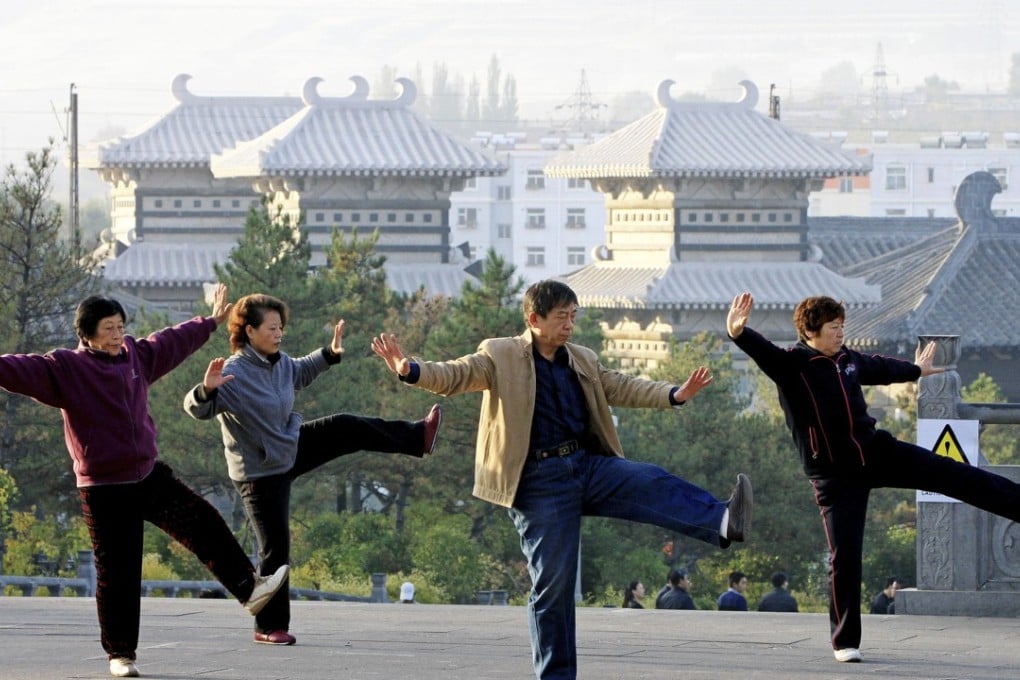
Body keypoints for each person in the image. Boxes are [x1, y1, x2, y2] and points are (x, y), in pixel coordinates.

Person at [371, 279, 753, 680]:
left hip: (586, 466)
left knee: (649, 479)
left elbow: (621, 386)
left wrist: (674, 394)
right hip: (538, 483)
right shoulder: (500, 354)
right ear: (534, 319)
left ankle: (722, 520)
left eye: (573, 316)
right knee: (553, 589)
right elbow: (455, 374)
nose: (570, 324)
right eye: (561, 317)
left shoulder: (582, 358)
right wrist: (410, 370)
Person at [0, 284, 288, 679]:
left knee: (202, 520)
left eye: (121, 326)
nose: (117, 335)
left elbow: (170, 342)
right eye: (108, 329)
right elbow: (14, 368)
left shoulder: (135, 355)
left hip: (147, 473)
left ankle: (249, 589)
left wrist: (209, 322)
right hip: (103, 487)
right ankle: (120, 655)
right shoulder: (65, 368)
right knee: (117, 572)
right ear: (86, 333)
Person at [727, 291, 1020, 663]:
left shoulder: (848, 360)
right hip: (834, 476)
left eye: (842, 326)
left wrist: (916, 370)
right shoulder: (792, 366)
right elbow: (762, 350)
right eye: (833, 328)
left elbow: (879, 368)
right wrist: (738, 332)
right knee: (845, 557)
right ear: (811, 331)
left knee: (953, 473)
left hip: (876, 452)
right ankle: (845, 642)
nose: (840, 333)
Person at [184, 293, 442, 646]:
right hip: (260, 474)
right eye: (272, 328)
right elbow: (195, 409)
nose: (279, 334)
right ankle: (268, 626)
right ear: (249, 331)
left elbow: (302, 370)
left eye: (281, 327)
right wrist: (205, 390)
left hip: (289, 447)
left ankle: (417, 437)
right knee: (275, 549)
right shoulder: (234, 373)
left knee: (345, 426)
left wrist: (330, 354)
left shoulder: (279, 363)